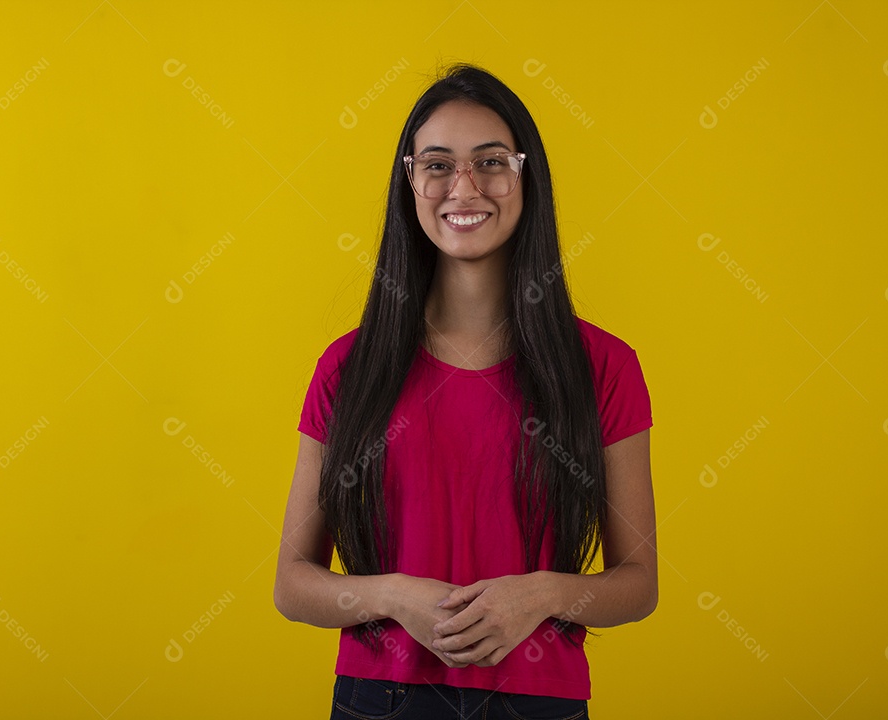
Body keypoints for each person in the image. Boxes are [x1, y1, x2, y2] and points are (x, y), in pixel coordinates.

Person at [274, 62, 657, 720]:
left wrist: (540, 596)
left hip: (540, 703)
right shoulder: (348, 367)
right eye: (438, 164)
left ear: (525, 176)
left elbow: (638, 584)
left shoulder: (604, 366)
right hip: (378, 699)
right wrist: (392, 597)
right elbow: (293, 584)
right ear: (410, 180)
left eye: (491, 161)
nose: (466, 186)